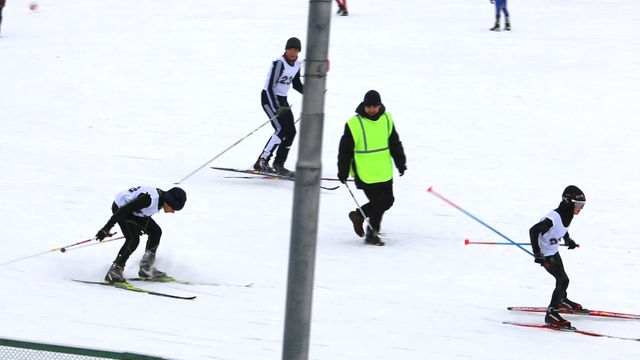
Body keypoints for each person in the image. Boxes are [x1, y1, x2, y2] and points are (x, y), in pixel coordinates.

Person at [337, 90, 407, 246]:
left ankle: (358, 216)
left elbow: (394, 142)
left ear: (380, 106)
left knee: (388, 201)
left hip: (383, 170)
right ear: (364, 106)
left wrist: (400, 162)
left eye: (375, 106)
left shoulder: (387, 119)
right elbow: (345, 150)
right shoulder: (354, 124)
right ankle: (371, 234)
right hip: (364, 172)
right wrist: (343, 170)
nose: (372, 110)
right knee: (379, 203)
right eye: (369, 107)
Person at [95, 186, 187, 283]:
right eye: (174, 208)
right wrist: (106, 229)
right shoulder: (149, 199)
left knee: (155, 232)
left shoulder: (161, 200)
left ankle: (146, 268)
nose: (173, 212)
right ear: (169, 201)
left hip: (136, 212)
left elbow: (146, 211)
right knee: (133, 239)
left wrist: (139, 226)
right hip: (121, 208)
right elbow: (123, 210)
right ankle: (114, 270)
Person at [529, 185, 586, 328]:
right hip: (546, 254)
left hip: (553, 251)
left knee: (563, 279)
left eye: (582, 205)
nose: (581, 208)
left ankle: (561, 300)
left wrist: (568, 240)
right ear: (569, 203)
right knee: (563, 279)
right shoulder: (553, 218)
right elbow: (534, 230)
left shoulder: (568, 215)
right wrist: (538, 253)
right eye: (579, 204)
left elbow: (562, 230)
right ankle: (552, 314)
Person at [254, 37, 304, 178]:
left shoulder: (297, 65)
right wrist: (276, 107)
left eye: (295, 50)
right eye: (290, 49)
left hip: (282, 100)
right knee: (281, 128)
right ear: (286, 50)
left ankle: (279, 164)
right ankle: (262, 161)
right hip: (269, 98)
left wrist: (312, 93)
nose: (292, 52)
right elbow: (270, 86)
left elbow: (296, 84)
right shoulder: (279, 63)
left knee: (291, 131)